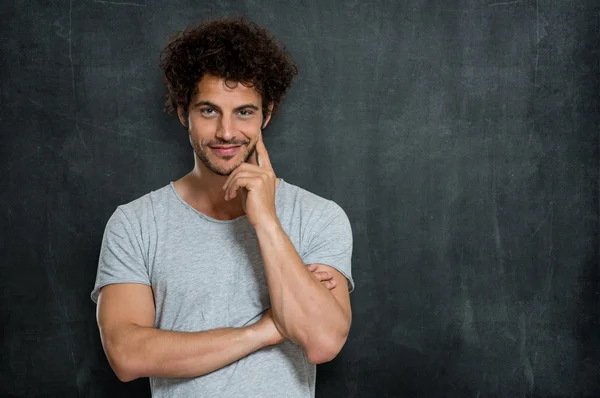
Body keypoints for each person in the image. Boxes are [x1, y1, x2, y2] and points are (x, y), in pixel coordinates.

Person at [91, 17, 354, 397]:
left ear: (267, 114)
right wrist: (265, 329)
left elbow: (322, 341)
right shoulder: (135, 223)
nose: (227, 132)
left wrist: (265, 220)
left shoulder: (318, 216)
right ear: (184, 113)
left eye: (244, 112)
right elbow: (127, 355)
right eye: (209, 111)